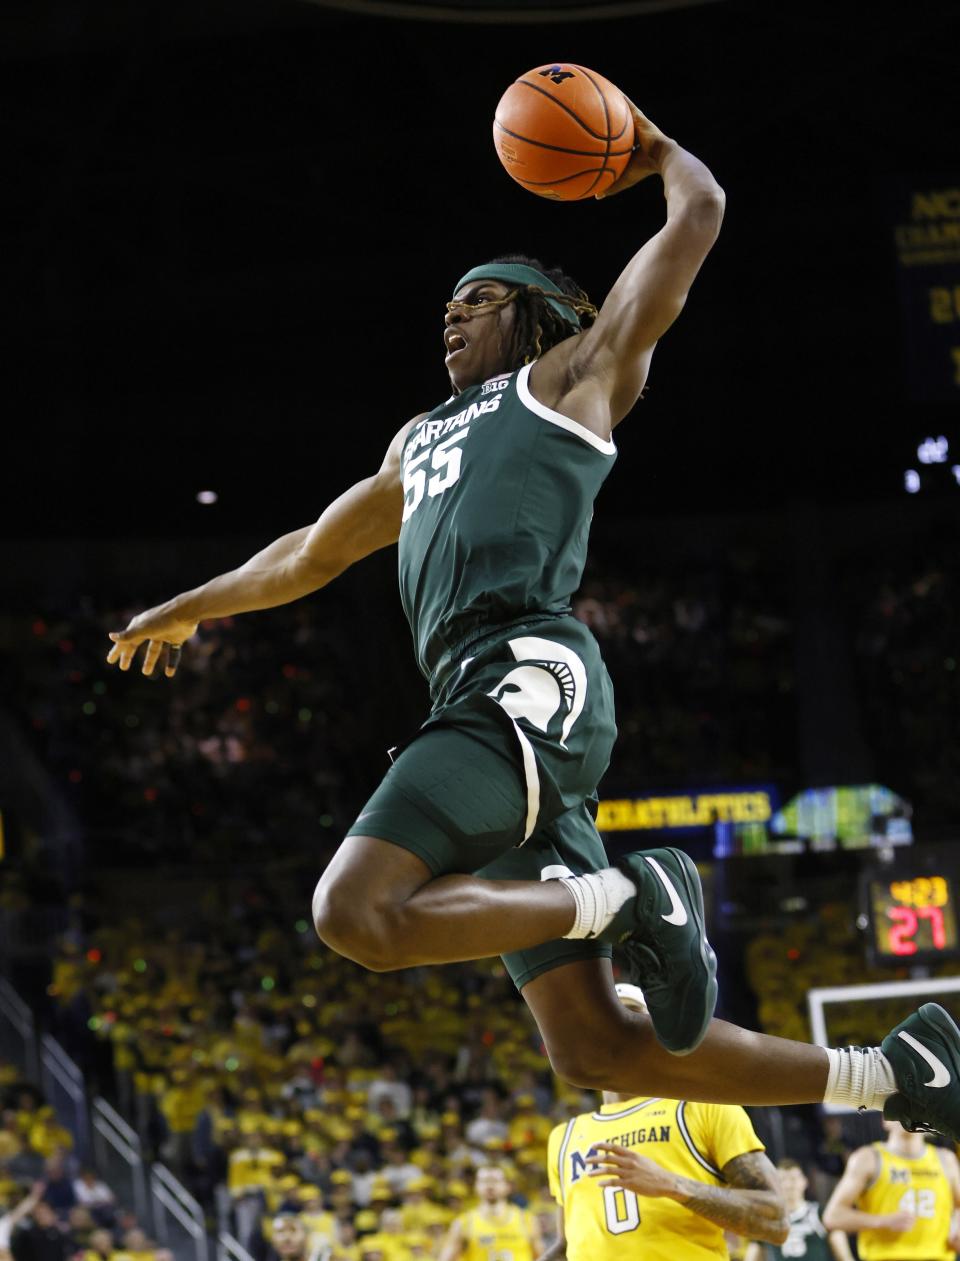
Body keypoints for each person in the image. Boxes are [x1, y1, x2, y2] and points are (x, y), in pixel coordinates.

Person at [106, 95, 960, 1139]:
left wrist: (653, 152)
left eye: (477, 299)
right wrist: (189, 607)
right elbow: (308, 553)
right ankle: (893, 1073)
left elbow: (698, 218)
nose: (452, 316)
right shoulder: (415, 441)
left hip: (524, 678)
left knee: (354, 913)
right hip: (482, 707)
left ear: (530, 312)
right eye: (448, 305)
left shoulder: (574, 376)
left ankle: (623, 898)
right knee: (595, 1049)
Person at [541, 983, 788, 1260]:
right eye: (603, 1021)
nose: (614, 1030)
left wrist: (672, 1184)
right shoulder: (564, 1136)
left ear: (654, 1036)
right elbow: (566, 1248)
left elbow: (775, 1221)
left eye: (630, 1016)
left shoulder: (703, 1109)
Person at [822, 1117, 960, 1260]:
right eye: (901, 1112)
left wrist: (957, 1226)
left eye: (914, 1111)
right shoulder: (868, 1158)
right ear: (885, 1119)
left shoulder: (946, 1159)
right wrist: (882, 1221)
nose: (909, 1117)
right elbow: (832, 1216)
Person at [744, 1159, 853, 1261]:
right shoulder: (766, 1219)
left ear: (805, 1182)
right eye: (782, 1180)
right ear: (774, 1185)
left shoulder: (823, 1213)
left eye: (793, 1179)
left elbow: (844, 1256)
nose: (788, 1185)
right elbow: (752, 1256)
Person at [438, 1164, 541, 1261]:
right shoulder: (464, 1223)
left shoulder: (526, 1219)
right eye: (484, 1181)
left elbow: (541, 1257)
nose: (490, 1186)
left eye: (495, 1181)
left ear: (508, 1186)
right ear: (476, 1186)